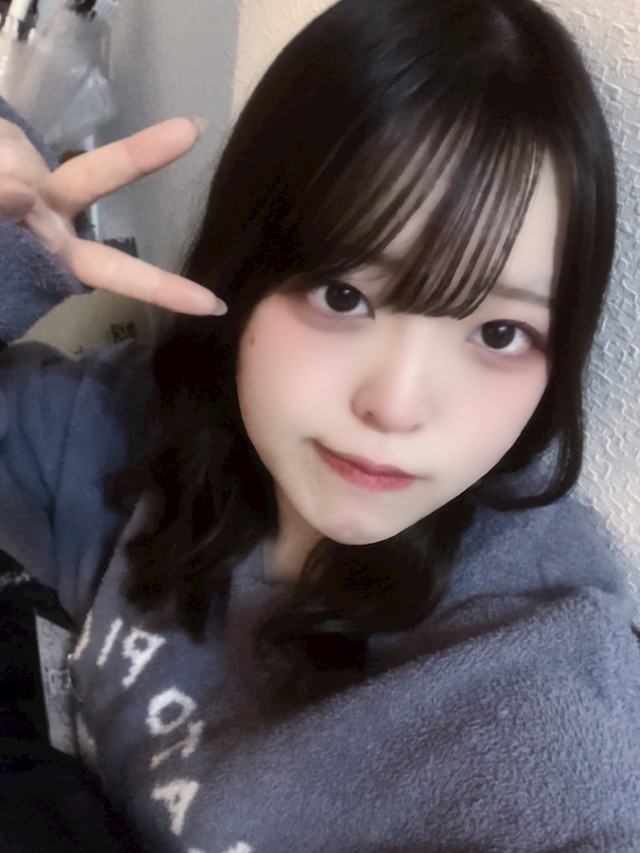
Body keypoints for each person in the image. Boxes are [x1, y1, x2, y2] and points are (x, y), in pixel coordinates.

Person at [0, 0, 639, 850]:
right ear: (246, 263)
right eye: (345, 295)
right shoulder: (133, 422)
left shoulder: (534, 684)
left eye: (498, 333)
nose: (397, 407)